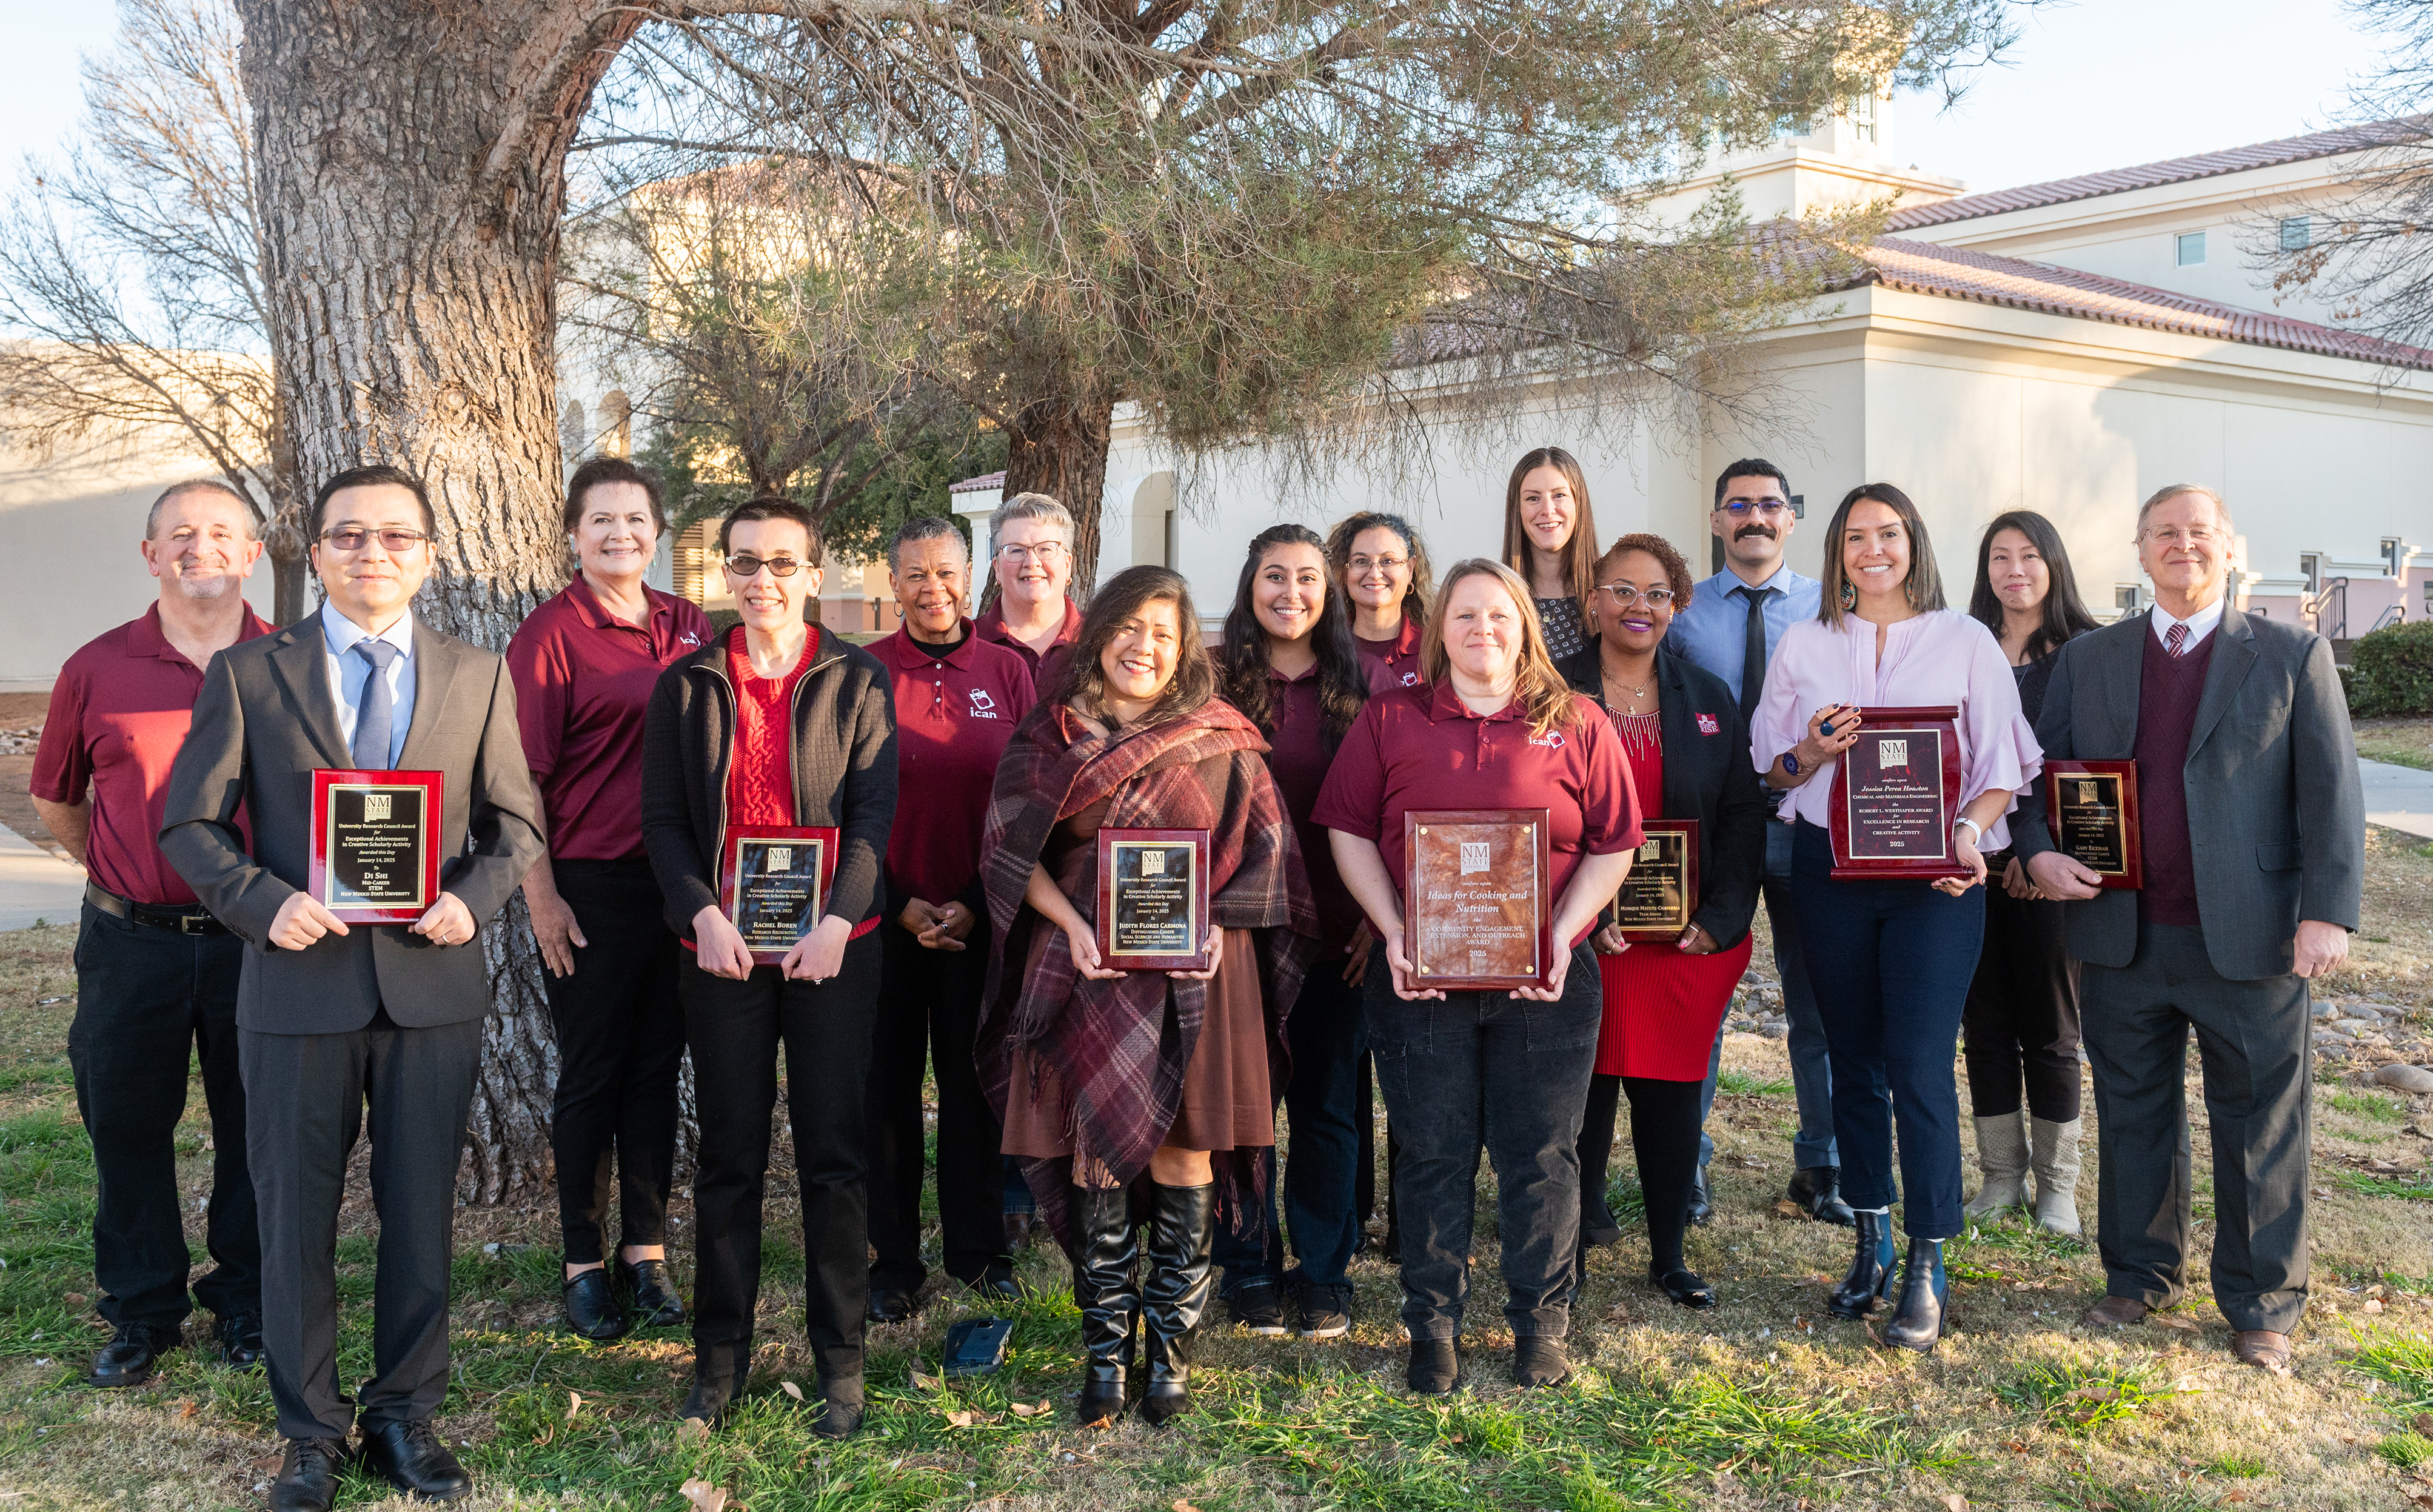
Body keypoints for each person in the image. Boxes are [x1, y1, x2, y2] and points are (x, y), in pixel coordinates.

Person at [160, 465, 546, 1509]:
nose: (371, 553)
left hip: (430, 984)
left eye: (394, 536)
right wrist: (255, 898)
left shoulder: (477, 673)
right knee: (294, 1217)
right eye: (348, 536)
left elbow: (516, 824)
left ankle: (404, 1414)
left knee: (419, 1213)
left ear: (425, 552)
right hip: (296, 985)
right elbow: (188, 822)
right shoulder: (250, 673)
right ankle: (309, 1431)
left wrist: (474, 898)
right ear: (315, 550)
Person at [2016, 484, 2363, 1376]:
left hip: (2252, 937)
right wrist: (2038, 852)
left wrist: (2327, 911)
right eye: (2164, 533)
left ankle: (2261, 1306)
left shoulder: (2290, 653)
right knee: (2135, 1115)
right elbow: (2036, 777)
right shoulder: (2090, 659)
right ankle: (2136, 1274)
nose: (2183, 546)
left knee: (2260, 1125)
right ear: (2139, 551)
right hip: (2122, 933)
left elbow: (2331, 792)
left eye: (2199, 532)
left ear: (2229, 547)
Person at [976, 566, 1317, 1428]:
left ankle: (1166, 1352)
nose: (1147, 647)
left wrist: (1217, 929)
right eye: (1132, 628)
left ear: (1183, 651)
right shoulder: (1046, 736)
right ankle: (1103, 1352)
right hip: (1084, 964)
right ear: (1100, 634)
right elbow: (1010, 858)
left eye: (1165, 634)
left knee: (1182, 1155)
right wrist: (1075, 927)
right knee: (1095, 1152)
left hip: (1200, 973)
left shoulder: (1222, 737)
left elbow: (1268, 859)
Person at [1316, 559, 1639, 1394]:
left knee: (1540, 1153)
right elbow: (1348, 830)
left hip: (1548, 979)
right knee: (1430, 1150)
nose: (1482, 630)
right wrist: (1393, 930)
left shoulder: (1576, 720)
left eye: (1498, 615)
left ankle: (1540, 1324)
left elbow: (1614, 842)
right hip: (1421, 980)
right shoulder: (1392, 719)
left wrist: (1564, 935)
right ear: (1438, 629)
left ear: (1524, 623)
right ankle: (1433, 1326)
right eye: (1464, 616)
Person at [1753, 483, 2038, 1354]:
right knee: (1854, 1062)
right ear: (1837, 552)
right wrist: (1813, 751)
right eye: (1855, 538)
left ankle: (1927, 1257)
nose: (1872, 550)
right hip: (1828, 873)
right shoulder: (1804, 641)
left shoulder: (1965, 639)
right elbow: (1771, 770)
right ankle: (1869, 1235)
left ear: (1912, 540)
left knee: (1918, 1063)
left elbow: (2003, 762)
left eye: (1888, 533)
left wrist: (1966, 836)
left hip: (1934, 884)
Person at [640, 497, 898, 1439]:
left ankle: (841, 1359)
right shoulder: (687, 683)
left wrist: (839, 919)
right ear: (725, 575)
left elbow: (873, 818)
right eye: (744, 563)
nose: (763, 581)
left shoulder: (859, 679)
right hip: (722, 950)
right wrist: (700, 912)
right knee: (730, 1156)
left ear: (813, 572)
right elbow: (663, 824)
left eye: (782, 563)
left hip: (834, 949)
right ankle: (719, 1362)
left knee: (834, 1154)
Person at [32, 481, 273, 1390]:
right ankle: (142, 1308)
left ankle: (247, 1298)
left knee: (256, 1124)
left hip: (259, 940)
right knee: (126, 1121)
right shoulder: (97, 666)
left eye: (219, 533)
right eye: (178, 534)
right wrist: (118, 868)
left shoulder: (291, 660)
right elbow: (56, 796)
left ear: (251, 553)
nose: (197, 547)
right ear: (149, 555)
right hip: (132, 941)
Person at [506, 457, 711, 1342]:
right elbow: (519, 783)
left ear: (656, 532)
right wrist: (541, 896)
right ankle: (583, 1263)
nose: (621, 534)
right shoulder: (550, 634)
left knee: (657, 1072)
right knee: (592, 1074)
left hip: (680, 890)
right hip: (588, 884)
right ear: (574, 535)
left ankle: (647, 1252)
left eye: (635, 519)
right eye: (602, 521)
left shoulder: (690, 623)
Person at [1558, 534, 1766, 1310]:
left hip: (1684, 943)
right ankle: (1568, 1250)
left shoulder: (1707, 696)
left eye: (1655, 593)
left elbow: (1743, 816)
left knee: (1672, 1100)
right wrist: (1580, 913)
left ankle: (1669, 1254)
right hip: (1583, 936)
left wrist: (1721, 916)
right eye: (1620, 589)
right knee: (1582, 1100)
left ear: (1675, 607)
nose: (1637, 606)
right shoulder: (1550, 691)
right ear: (1592, 602)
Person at [1662, 459, 1844, 1227]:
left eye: (1769, 504)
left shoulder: (1832, 609)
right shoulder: (1680, 613)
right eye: (1737, 506)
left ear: (1790, 518)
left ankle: (1823, 1166)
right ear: (1715, 521)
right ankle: (1685, 1167)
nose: (1754, 518)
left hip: (1810, 822)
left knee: (1820, 1005)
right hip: (1716, 834)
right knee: (1698, 1001)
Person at [865, 515, 1037, 1323]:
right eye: (913, 574)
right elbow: (839, 802)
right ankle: (892, 1262)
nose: (931, 589)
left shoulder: (1008, 671)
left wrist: (974, 894)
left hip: (982, 918)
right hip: (884, 917)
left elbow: (1038, 797)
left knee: (973, 1089)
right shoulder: (860, 673)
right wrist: (896, 904)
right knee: (886, 1092)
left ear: (971, 578)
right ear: (891, 584)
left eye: (944, 572)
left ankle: (978, 1252)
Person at [1212, 525, 1382, 1340]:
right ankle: (1246, 1265)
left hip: (1338, 940)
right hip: (1240, 938)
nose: (1291, 591)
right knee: (1244, 1110)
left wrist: (1380, 921)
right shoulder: (1210, 687)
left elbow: (1397, 811)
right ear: (1250, 586)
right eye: (1273, 575)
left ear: (1330, 592)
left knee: (1324, 1108)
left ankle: (1321, 1272)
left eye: (1308, 577)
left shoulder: (1366, 688)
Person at [1959, 510, 2100, 1236]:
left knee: (2050, 1027)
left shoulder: (2085, 651)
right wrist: (1993, 852)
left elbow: (2077, 762)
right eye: (1997, 558)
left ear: (2053, 563)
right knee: (1982, 1022)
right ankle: (2000, 1175)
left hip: (2050, 865)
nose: (2013, 570)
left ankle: (2057, 1189)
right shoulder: (1962, 644)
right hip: (1971, 860)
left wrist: (2032, 855)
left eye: (2028, 555)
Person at [1501, 447, 1601, 661]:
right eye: (1533, 499)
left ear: (1578, 503)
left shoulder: (1609, 594)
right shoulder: (1497, 598)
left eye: (1559, 495)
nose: (1548, 509)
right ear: (1517, 509)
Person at [974, 492, 1084, 680]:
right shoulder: (967, 644)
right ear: (997, 568)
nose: (1032, 562)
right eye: (1017, 550)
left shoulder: (1101, 641)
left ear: (1067, 565)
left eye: (1046, 549)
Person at [1326, 510, 1434, 691]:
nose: (1375, 574)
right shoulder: (1324, 648)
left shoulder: (1435, 652)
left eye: (1388, 561)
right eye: (1361, 561)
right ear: (1344, 571)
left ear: (1410, 569)